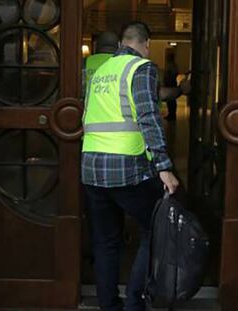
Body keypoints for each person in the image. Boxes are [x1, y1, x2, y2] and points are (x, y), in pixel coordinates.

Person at [81, 21, 179, 311]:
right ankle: (135, 302)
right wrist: (163, 165)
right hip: (126, 168)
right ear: (145, 44)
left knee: (105, 242)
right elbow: (149, 115)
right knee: (154, 230)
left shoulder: (101, 71)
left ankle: (109, 306)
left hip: (91, 167)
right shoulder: (142, 68)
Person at [82, 31, 119, 98]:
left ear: (95, 45)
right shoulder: (124, 63)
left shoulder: (84, 63)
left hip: (89, 106)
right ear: (119, 45)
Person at [163, 53, 179, 121]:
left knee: (171, 100)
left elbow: (171, 74)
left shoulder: (171, 66)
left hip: (170, 84)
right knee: (171, 100)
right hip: (171, 83)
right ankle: (171, 114)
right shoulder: (174, 66)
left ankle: (172, 114)